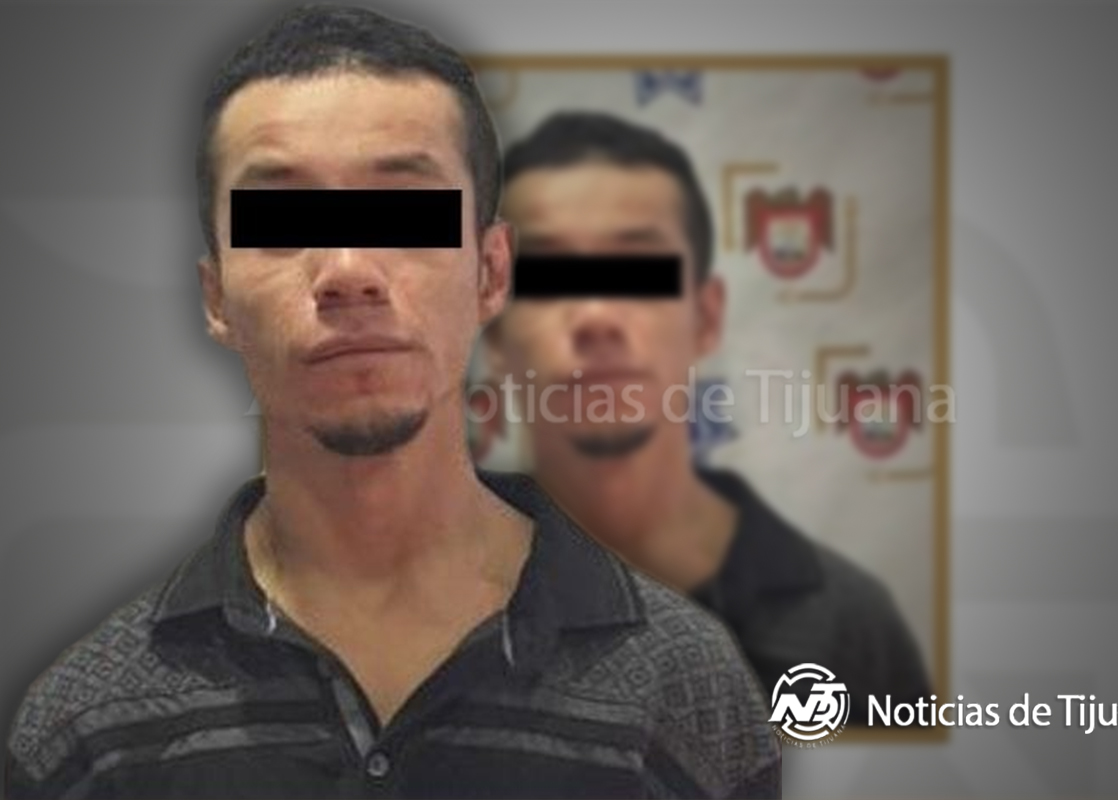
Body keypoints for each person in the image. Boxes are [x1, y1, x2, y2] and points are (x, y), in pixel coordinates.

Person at [3, 8, 780, 799]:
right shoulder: (87, 730)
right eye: (284, 220)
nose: (347, 269)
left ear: (490, 271)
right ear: (216, 299)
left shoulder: (684, 699)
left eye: (405, 211)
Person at [486, 111, 932, 721]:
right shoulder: (426, 593)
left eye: (638, 272)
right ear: (493, 325)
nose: (596, 315)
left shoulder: (848, 626)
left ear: (707, 316)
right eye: (549, 277)